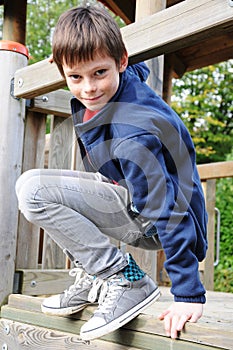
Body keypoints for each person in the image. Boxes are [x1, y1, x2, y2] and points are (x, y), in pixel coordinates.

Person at [15, 5, 208, 342]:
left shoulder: (133, 136)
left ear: (121, 62)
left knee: (33, 189)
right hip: (139, 202)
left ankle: (123, 278)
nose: (88, 88)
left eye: (99, 73)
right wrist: (72, 55)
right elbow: (133, 69)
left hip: (159, 221)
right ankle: (96, 274)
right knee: (57, 190)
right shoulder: (123, 79)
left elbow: (170, 213)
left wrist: (188, 293)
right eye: (75, 76)